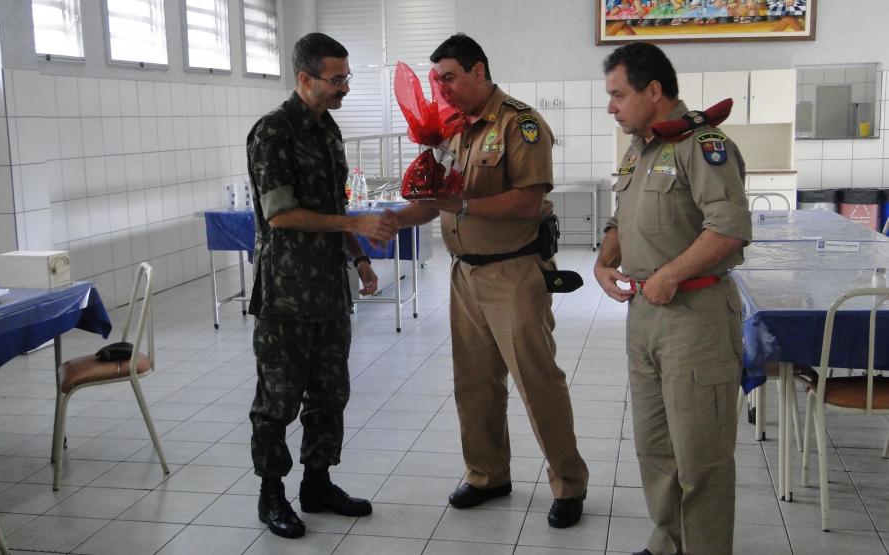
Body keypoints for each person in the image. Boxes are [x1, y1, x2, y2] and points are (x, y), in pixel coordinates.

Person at [393, 33, 589, 528]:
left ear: (478, 71)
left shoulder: (520, 124)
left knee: (537, 381)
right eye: (437, 81)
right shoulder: (453, 130)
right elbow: (436, 199)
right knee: (475, 383)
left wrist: (458, 204)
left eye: (450, 78)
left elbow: (527, 201)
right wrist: (394, 220)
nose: (442, 89)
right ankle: (487, 475)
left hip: (513, 272)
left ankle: (569, 482)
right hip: (464, 274)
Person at [594, 42, 751, 555]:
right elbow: (621, 217)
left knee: (701, 457)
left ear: (653, 91)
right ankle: (667, 543)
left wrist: (669, 275)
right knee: (655, 448)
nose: (611, 107)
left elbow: (728, 229)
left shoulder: (702, 145)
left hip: (695, 317)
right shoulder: (640, 147)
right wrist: (603, 261)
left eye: (618, 95)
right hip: (644, 317)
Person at [246, 32, 398, 539]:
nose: (345, 88)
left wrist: (359, 259)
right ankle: (272, 493)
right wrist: (354, 227)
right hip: (286, 293)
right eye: (337, 79)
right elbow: (281, 215)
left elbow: (334, 207)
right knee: (278, 399)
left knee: (330, 393)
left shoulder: (328, 129)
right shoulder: (273, 132)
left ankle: (317, 483)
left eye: (346, 77)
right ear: (305, 78)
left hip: (330, 290)